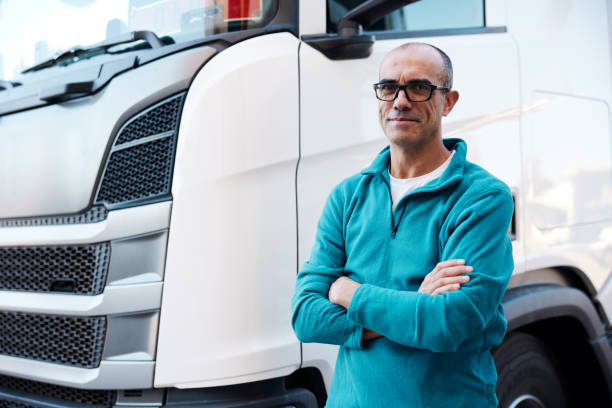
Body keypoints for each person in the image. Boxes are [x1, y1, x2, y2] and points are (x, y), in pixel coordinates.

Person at [290, 42, 515, 408]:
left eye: (419, 87)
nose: (400, 100)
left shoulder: (483, 197)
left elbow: (447, 324)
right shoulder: (347, 196)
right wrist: (414, 307)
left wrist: (350, 294)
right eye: (389, 87)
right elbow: (306, 316)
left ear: (449, 101)